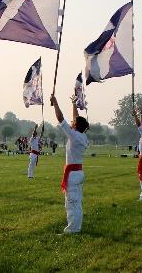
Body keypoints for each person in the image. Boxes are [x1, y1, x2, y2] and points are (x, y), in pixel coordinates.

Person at [51, 93, 89, 234]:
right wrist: (73, 104)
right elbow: (76, 119)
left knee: (71, 203)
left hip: (73, 174)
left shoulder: (74, 135)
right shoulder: (82, 136)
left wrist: (55, 102)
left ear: (76, 126)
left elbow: (61, 119)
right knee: (76, 202)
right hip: (77, 172)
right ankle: (76, 227)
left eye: (73, 123)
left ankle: (72, 229)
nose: (72, 123)